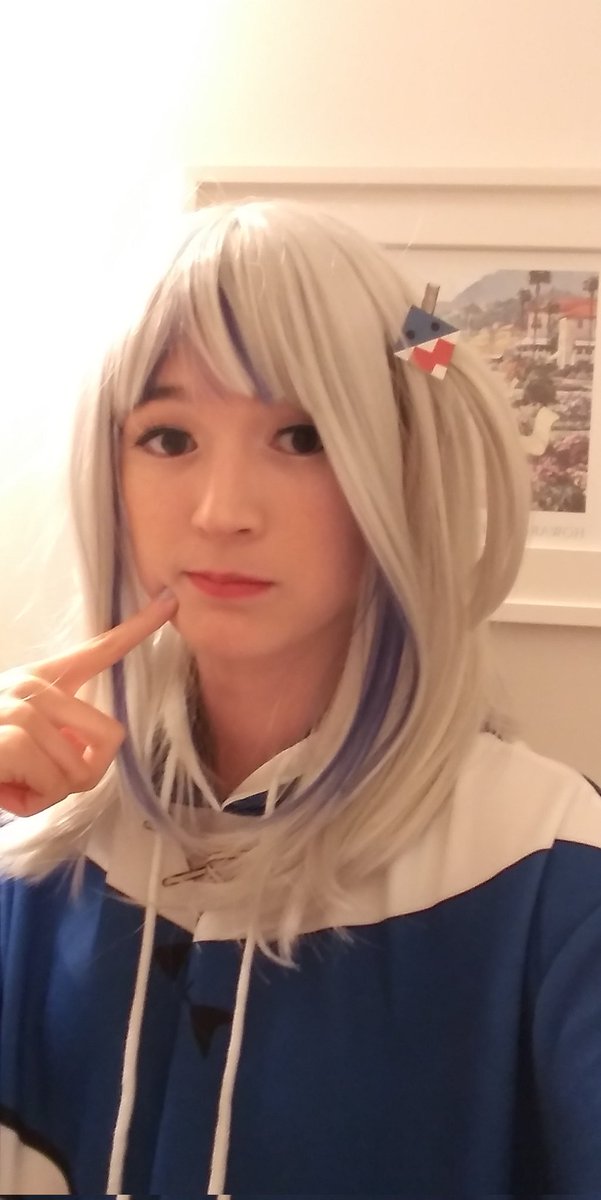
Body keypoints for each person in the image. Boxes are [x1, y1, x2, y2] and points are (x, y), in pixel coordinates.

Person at [0, 198, 599, 1197]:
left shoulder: (546, 868)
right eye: (168, 437)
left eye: (302, 435)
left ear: (397, 465)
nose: (221, 511)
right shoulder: (36, 847)